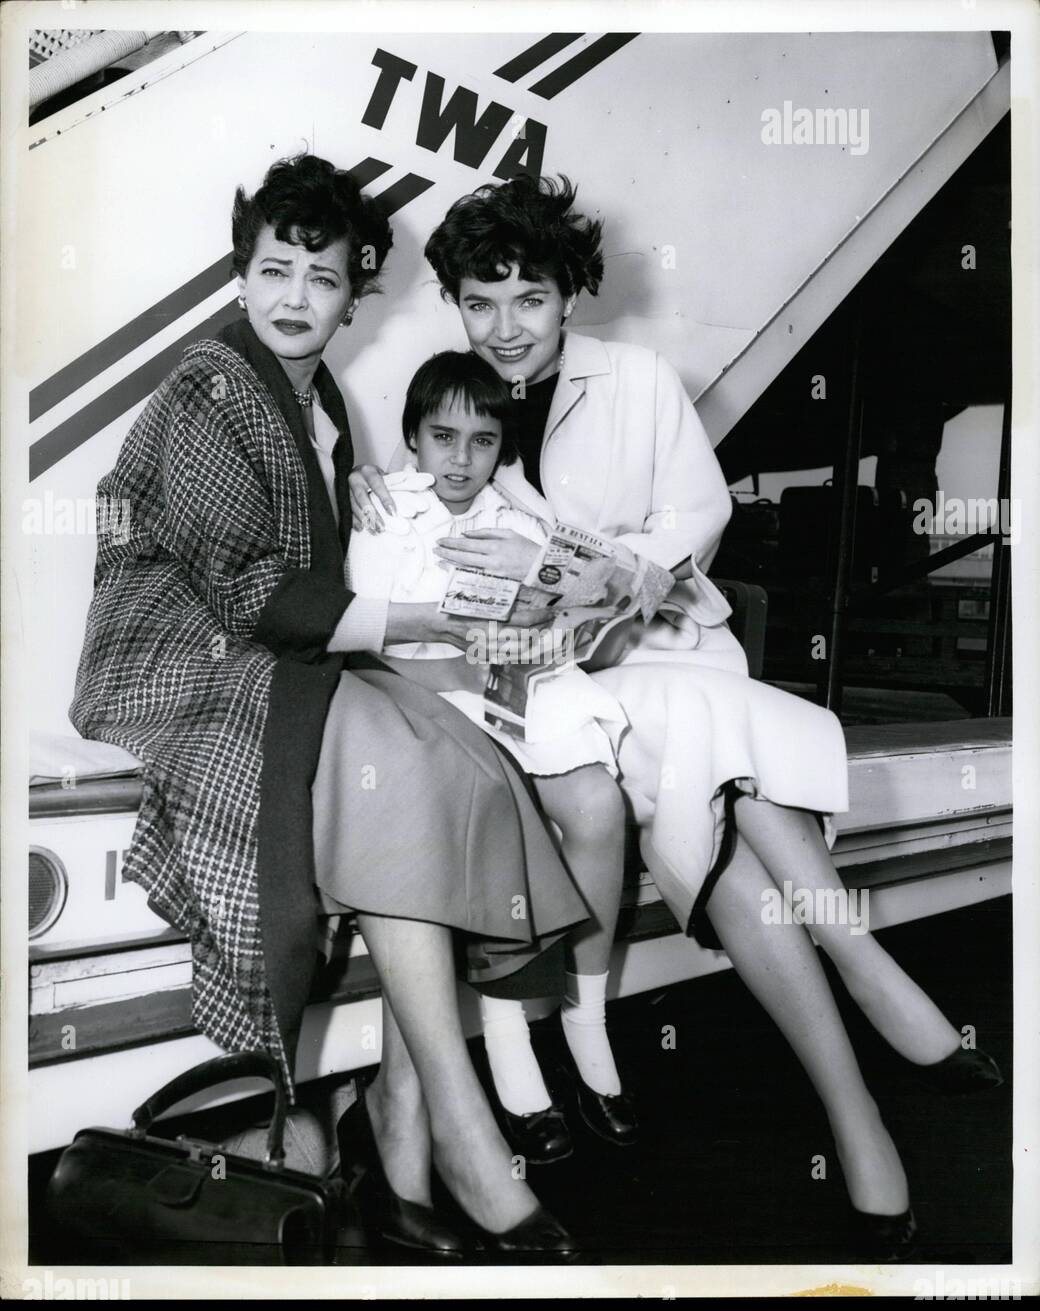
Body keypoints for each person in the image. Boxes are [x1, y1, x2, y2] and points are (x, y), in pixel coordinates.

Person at [351, 174, 1002, 1255]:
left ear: (570, 293)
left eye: (529, 297)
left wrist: (614, 576)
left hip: (663, 650)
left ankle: (858, 1095)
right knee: (723, 771)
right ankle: (867, 1029)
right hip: (569, 693)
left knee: (710, 745)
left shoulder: (639, 380)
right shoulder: (451, 407)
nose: (506, 325)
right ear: (457, 307)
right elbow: (411, 508)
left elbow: (693, 516)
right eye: (481, 301)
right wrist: (383, 497)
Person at [69, 155, 595, 1259]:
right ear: (242, 274)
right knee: (407, 766)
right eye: (274, 270)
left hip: (273, 650)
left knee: (462, 756)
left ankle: (402, 1142)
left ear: (354, 290)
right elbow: (256, 592)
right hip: (182, 661)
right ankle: (452, 1133)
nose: (295, 296)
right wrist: (425, 621)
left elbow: (312, 569)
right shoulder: (212, 382)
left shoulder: (316, 397)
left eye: (320, 275)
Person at [347, 350, 635, 1155]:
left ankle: (588, 1021)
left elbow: (603, 598)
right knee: (497, 794)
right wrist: (473, 665)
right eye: (442, 437)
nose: (460, 459)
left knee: (596, 803)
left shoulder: (517, 515)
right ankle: (510, 1047)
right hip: (429, 696)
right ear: (413, 438)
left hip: (519, 690)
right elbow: (375, 640)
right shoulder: (385, 512)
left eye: (481, 441)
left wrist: (550, 625)